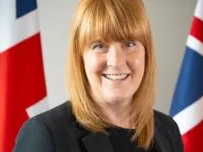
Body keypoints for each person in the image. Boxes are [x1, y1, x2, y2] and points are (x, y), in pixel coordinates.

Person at [13, 0, 184, 152]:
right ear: (80, 57)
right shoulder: (46, 133)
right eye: (99, 46)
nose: (116, 61)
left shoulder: (166, 129)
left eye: (129, 44)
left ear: (147, 54)